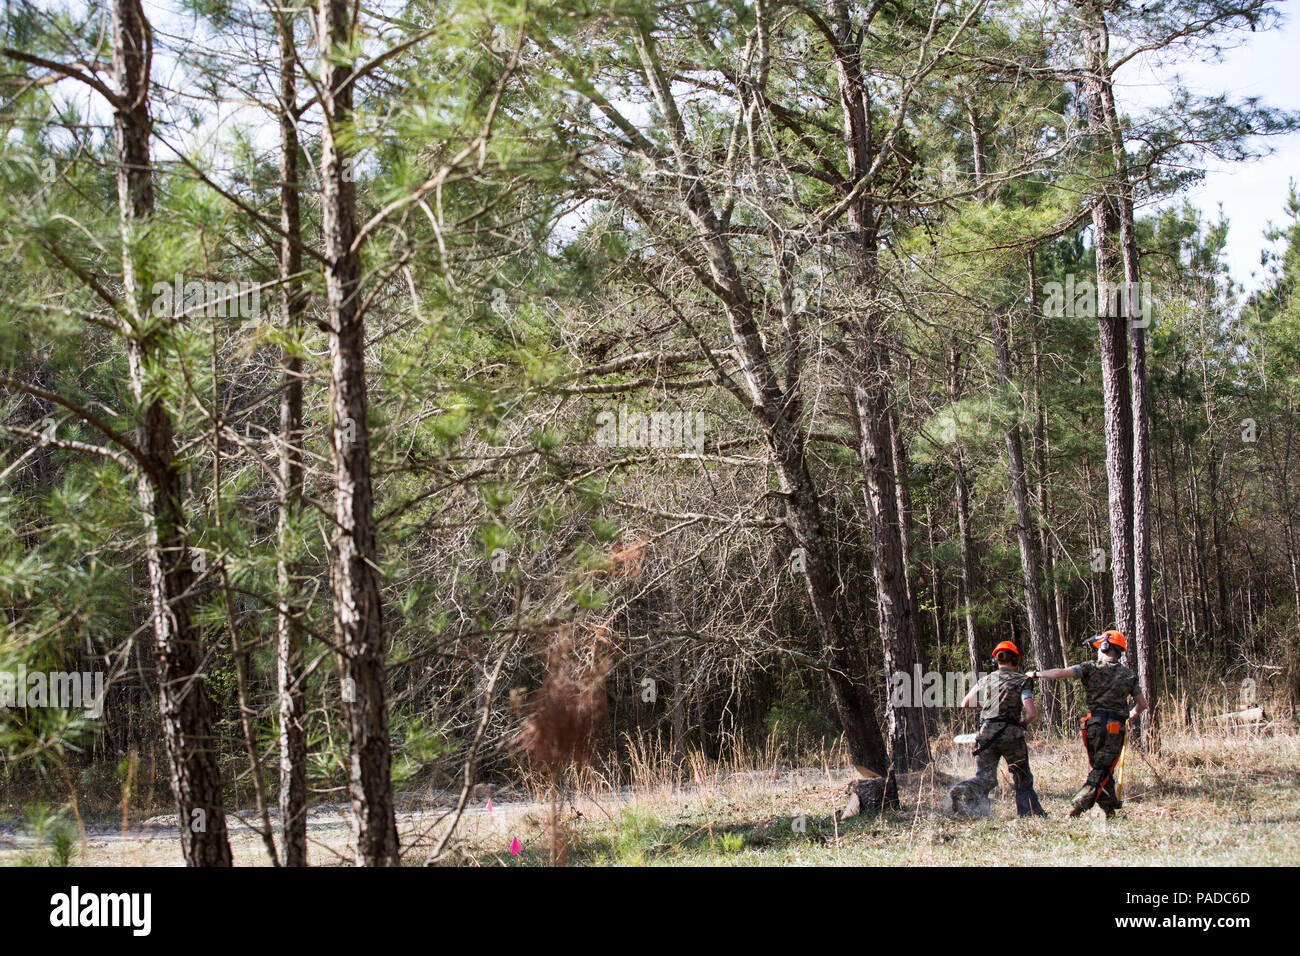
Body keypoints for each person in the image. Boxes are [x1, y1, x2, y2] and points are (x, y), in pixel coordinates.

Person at [1028, 629, 1149, 818]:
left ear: (1105, 645)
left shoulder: (1089, 667)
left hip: (1093, 727)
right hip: (1115, 728)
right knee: (1103, 769)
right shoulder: (1129, 675)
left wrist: (1037, 674)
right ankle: (1077, 808)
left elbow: (1061, 673)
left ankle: (1109, 811)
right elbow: (1142, 705)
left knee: (1101, 768)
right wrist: (1128, 716)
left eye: (1099, 647)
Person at [953, 640, 1048, 817]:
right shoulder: (1022, 680)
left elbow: (965, 703)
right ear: (1015, 660)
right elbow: (1031, 712)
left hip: (987, 735)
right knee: (1022, 778)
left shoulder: (986, 679)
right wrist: (1024, 724)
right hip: (1012, 734)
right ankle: (1029, 814)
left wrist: (989, 707)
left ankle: (968, 794)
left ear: (994, 661)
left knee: (985, 778)